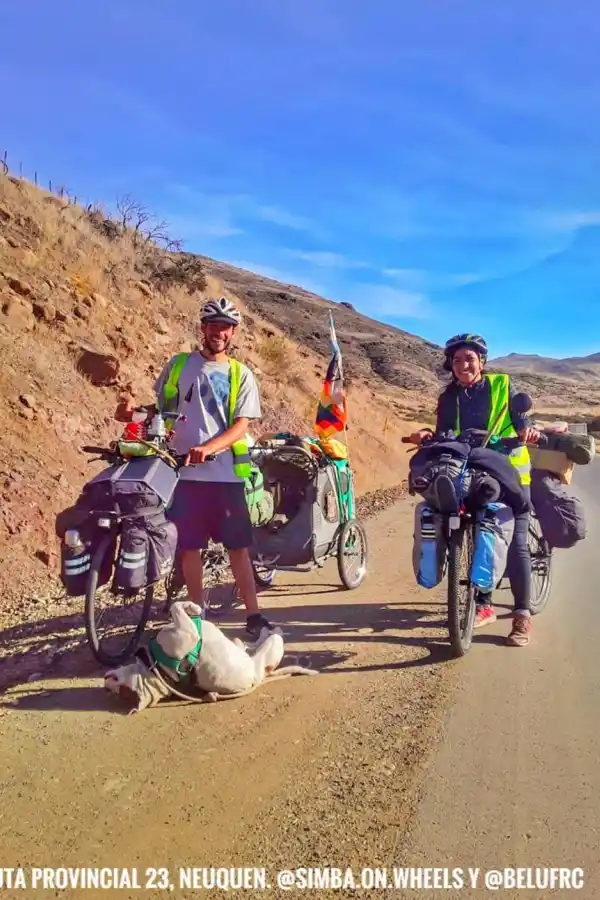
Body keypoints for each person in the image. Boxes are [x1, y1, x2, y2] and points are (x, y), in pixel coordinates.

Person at [115, 296, 275, 638]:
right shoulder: (178, 365)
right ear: (203, 328)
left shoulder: (240, 374)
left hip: (225, 475)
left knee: (237, 547)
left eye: (226, 327)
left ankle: (254, 615)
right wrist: (134, 414)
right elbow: (162, 411)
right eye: (213, 325)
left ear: (233, 333)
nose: (219, 332)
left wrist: (209, 448)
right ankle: (196, 619)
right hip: (182, 473)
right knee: (190, 547)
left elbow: (242, 425)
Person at [409, 333, 540, 647]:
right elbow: (444, 432)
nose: (463, 365)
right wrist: (427, 435)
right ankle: (483, 603)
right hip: (470, 469)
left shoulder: (501, 385)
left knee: (517, 543)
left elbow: (521, 418)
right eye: (456, 360)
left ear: (481, 361)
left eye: (469, 358)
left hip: (510, 470)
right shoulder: (448, 396)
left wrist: (525, 430)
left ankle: (522, 614)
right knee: (469, 519)